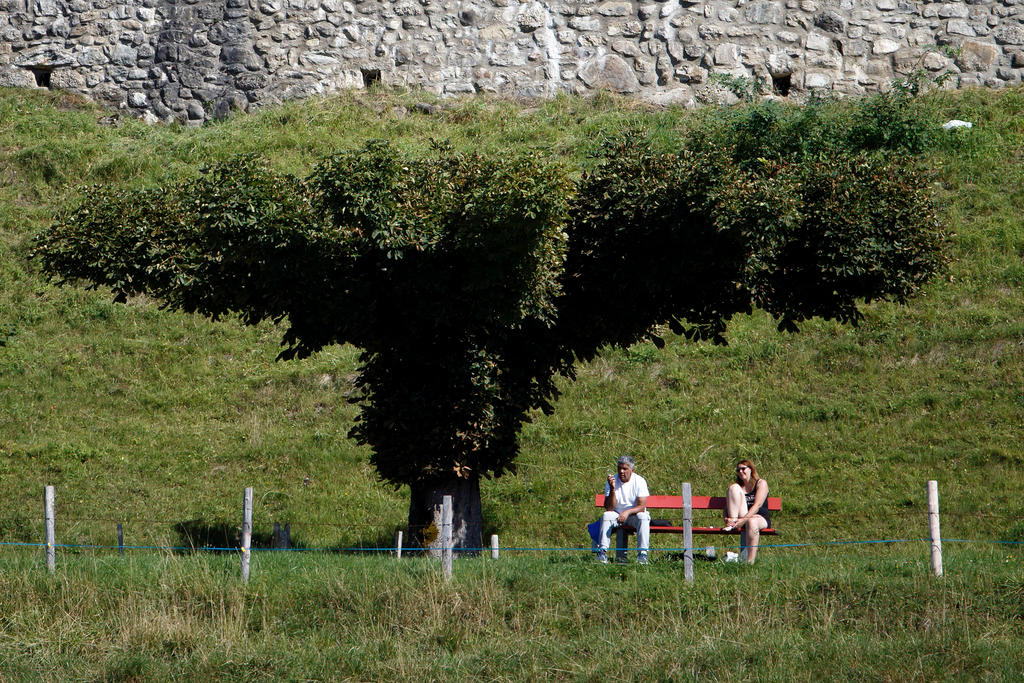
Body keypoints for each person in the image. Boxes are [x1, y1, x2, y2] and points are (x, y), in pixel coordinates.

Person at [597, 455, 651, 564]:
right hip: (616, 515)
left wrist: (627, 512)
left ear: (632, 470)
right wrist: (612, 489)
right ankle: (602, 553)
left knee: (643, 517)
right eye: (619, 468)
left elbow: (642, 506)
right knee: (606, 516)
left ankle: (642, 555)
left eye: (625, 469)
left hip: (633, 515)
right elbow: (609, 507)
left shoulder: (639, 481)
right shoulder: (612, 481)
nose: (621, 471)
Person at [723, 458, 770, 564]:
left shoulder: (761, 483)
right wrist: (727, 519)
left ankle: (750, 562)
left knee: (751, 521)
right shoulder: (738, 488)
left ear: (751, 469)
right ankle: (733, 523)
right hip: (741, 518)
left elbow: (757, 505)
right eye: (738, 470)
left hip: (759, 517)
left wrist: (744, 520)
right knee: (733, 487)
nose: (740, 472)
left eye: (743, 469)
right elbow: (726, 507)